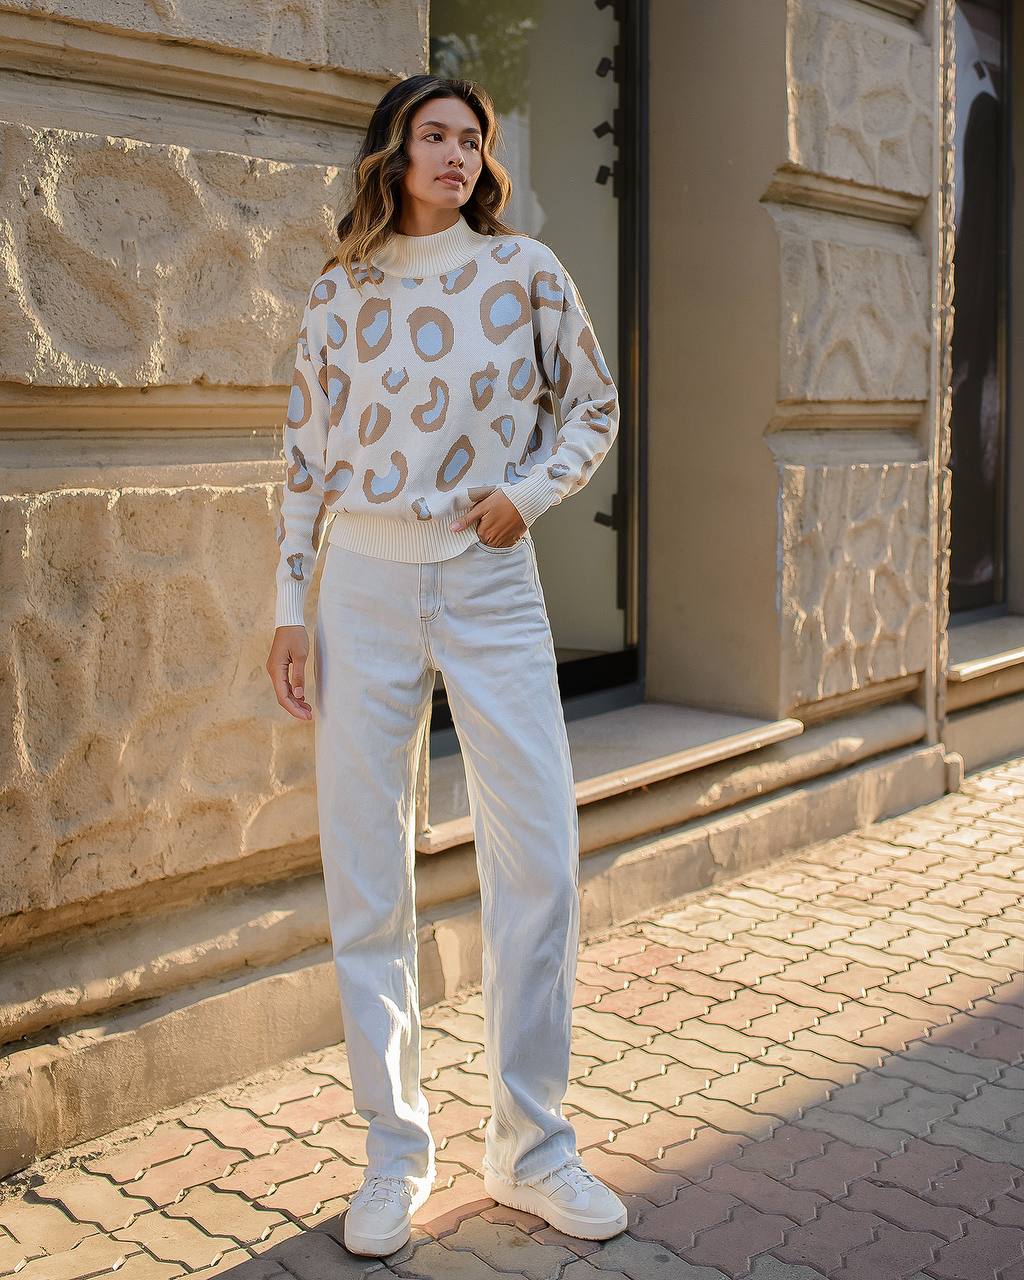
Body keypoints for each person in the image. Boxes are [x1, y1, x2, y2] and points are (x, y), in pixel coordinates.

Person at [265, 72, 626, 1259]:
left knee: (541, 855)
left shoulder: (523, 273)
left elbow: (593, 408)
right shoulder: (340, 291)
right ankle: (391, 1151)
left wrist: (526, 496)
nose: (457, 153)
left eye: (472, 138)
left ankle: (531, 1146)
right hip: (360, 582)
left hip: (486, 575)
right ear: (394, 152)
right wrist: (288, 604)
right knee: (366, 868)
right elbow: (306, 459)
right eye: (435, 134)